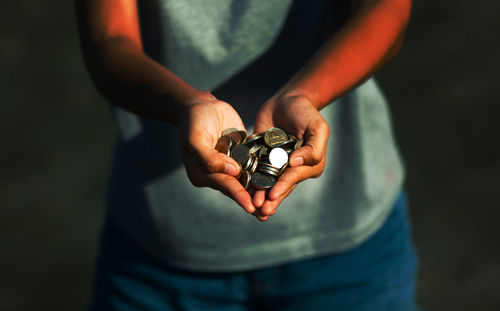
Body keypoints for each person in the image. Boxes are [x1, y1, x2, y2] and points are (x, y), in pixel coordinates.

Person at [75, 0, 417, 309]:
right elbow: (108, 40)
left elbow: (386, 10)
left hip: (349, 246)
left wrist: (306, 94)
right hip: (159, 254)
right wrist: (187, 105)